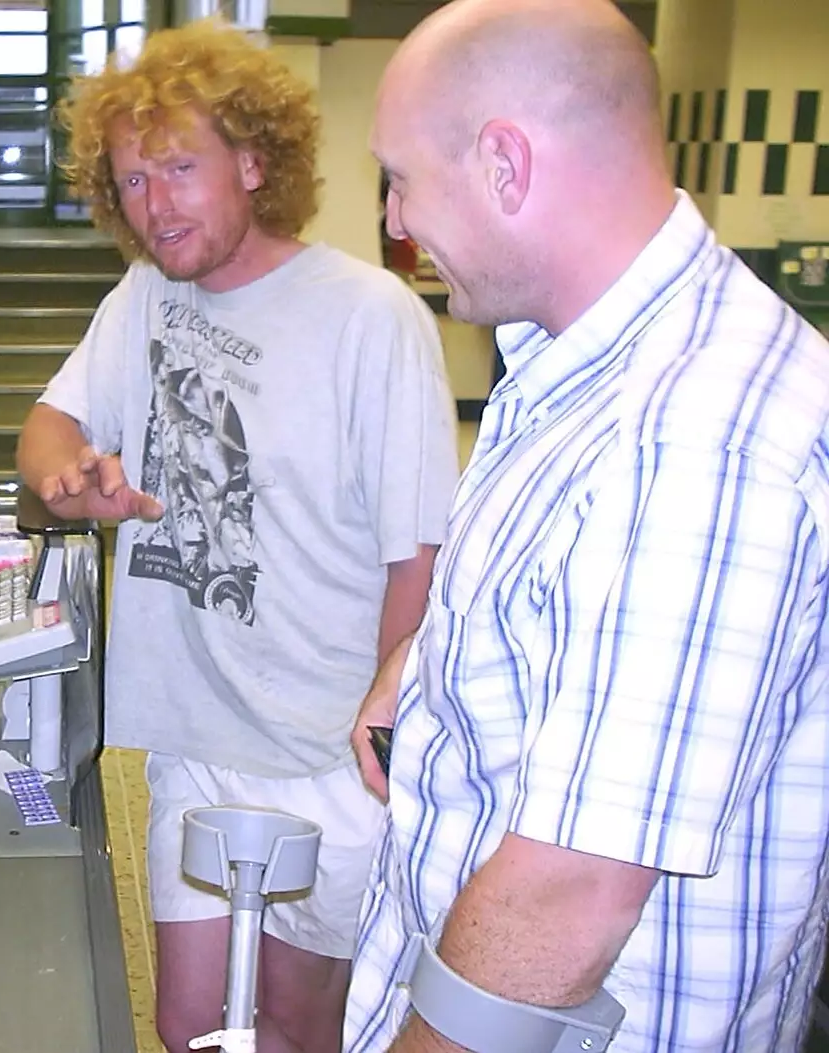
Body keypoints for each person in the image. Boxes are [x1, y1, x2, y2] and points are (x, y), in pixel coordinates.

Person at [344, 1, 829, 1051]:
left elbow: (568, 897)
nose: (393, 220)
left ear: (505, 165)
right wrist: (429, 667)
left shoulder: (690, 440)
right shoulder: (578, 372)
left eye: (402, 178)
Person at [17, 20, 460, 1053]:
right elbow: (50, 429)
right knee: (186, 1028)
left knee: (302, 1025)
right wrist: (67, 476)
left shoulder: (370, 317)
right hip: (191, 737)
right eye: (132, 180)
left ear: (254, 164)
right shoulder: (143, 299)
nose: (156, 203)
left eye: (180, 167)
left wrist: (380, 729)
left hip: (323, 747)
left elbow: (418, 556)